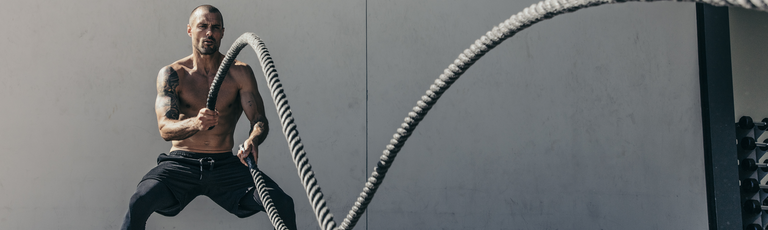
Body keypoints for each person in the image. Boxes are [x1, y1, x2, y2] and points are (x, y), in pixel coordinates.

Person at [121, 5, 296, 230]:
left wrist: (253, 139)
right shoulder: (174, 74)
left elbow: (259, 120)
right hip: (180, 164)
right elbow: (165, 129)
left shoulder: (239, 72)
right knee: (139, 201)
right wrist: (196, 122)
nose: (209, 33)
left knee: (282, 203)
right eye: (202, 26)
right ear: (190, 30)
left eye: (215, 27)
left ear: (223, 32)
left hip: (226, 165)